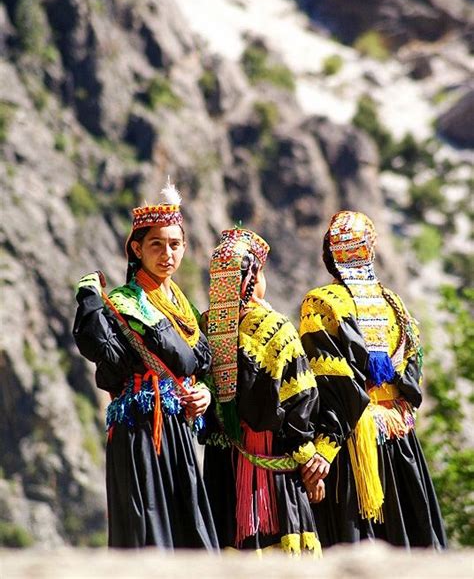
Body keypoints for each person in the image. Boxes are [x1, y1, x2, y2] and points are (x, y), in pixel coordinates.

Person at [72, 181, 219, 549]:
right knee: (149, 528)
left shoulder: (181, 304)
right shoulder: (125, 302)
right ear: (137, 249)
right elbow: (179, 358)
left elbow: (197, 365)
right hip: (141, 429)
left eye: (174, 244)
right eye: (156, 244)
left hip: (176, 430)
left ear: (185, 247)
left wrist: (202, 392)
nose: (167, 253)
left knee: (186, 529)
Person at [299, 210, 447, 549]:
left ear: (328, 256)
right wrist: (396, 413)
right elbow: (412, 370)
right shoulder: (394, 303)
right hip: (400, 436)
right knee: (411, 535)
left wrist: (323, 448)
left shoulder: (320, 303)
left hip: (352, 444)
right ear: (373, 249)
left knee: (359, 540)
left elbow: (335, 385)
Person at [202, 227, 324, 555]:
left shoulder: (204, 328)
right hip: (272, 466)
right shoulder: (276, 329)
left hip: (220, 463)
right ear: (252, 279)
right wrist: (307, 458)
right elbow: (301, 399)